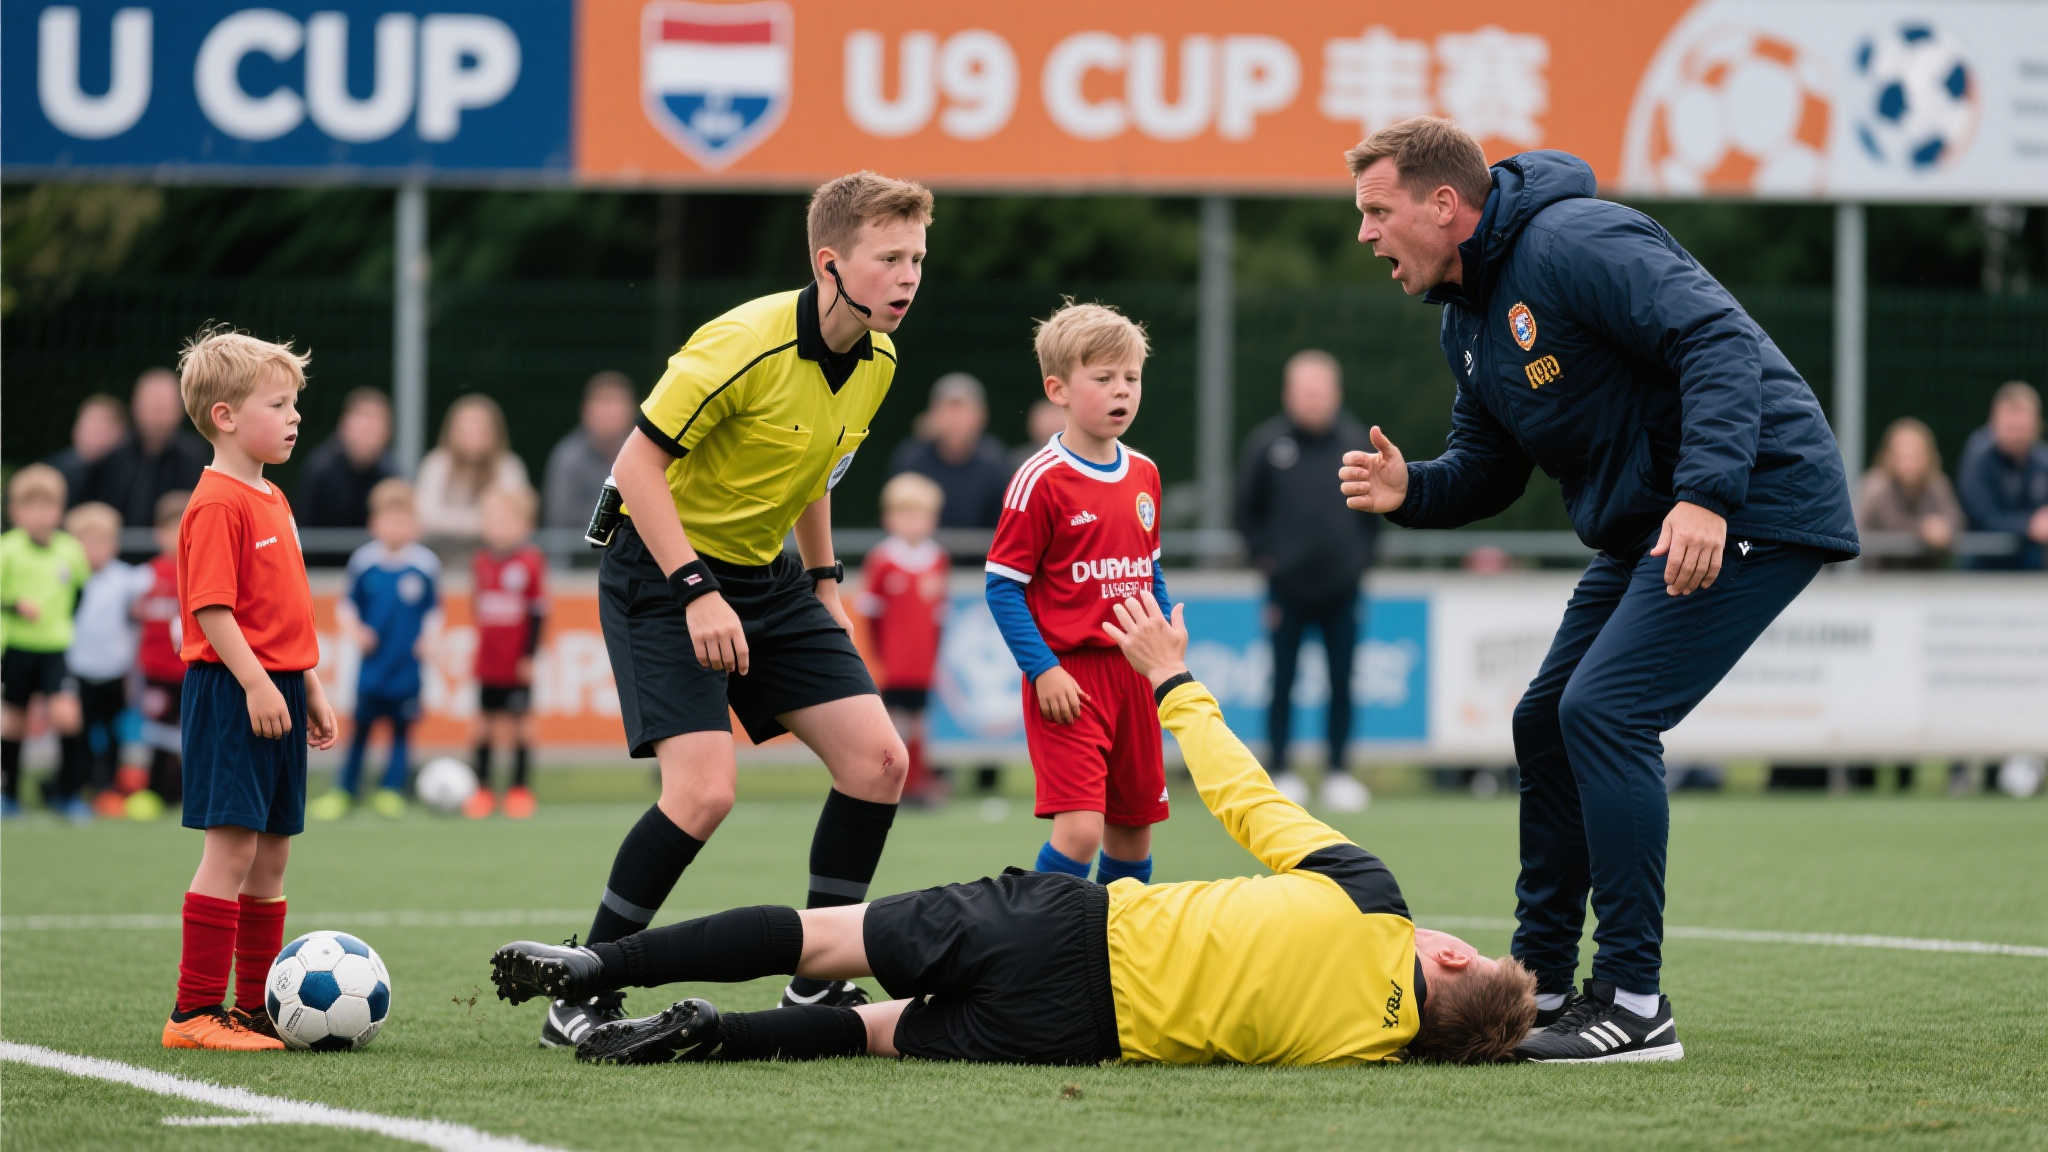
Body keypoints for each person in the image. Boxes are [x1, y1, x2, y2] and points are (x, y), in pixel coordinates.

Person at [488, 590, 1537, 1068]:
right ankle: (709, 1038)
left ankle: (596, 966)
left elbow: (1247, 801)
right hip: (1075, 1038)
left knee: (827, 942)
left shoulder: (1373, 905)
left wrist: (1172, 683)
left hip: (1071, 930)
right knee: (867, 1030)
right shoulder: (1368, 1053)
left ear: (1446, 953)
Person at [1336, 118, 1857, 1062]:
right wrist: (1415, 488)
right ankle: (1530, 987)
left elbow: (1717, 342)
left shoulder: (1575, 239)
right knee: (1545, 721)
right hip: (1654, 523)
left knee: (1606, 712)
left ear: (1445, 206)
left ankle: (1633, 1002)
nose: (1365, 235)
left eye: (1378, 211)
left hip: (1754, 499)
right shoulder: (1468, 321)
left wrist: (1707, 495)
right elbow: (1490, 469)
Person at [556, 170, 933, 1048]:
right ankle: (583, 985)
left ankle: (817, 984)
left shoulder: (878, 359)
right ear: (831, 263)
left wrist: (829, 584)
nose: (909, 276)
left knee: (879, 762)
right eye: (890, 258)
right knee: (703, 793)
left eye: (917, 257)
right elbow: (635, 467)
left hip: (770, 580)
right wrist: (695, 591)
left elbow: (815, 474)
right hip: (662, 574)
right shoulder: (743, 342)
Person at [162, 326, 338, 1051]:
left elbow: (287, 607)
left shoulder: (273, 497)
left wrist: (310, 685)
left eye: (295, 403)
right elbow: (212, 608)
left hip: (280, 689)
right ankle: (195, 1014)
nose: (295, 416)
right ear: (225, 416)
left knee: (271, 855)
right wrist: (258, 682)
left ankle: (260, 1007)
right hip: (235, 692)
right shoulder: (217, 503)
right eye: (278, 403)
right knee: (231, 851)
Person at [986, 301, 1171, 886]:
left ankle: (1119, 959)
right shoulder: (1040, 478)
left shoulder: (1144, 473)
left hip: (1136, 677)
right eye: (1104, 378)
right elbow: (1002, 587)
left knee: (1133, 826)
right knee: (1080, 831)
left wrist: (1166, 645)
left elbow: (1150, 572)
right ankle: (1032, 951)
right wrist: (1043, 670)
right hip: (1070, 680)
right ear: (1058, 389)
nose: (1122, 391)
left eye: (1132, 378)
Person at [1235, 349, 1380, 812]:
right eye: (1304, 390)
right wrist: (1266, 560)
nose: (1312, 399)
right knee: (1282, 681)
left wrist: (1361, 562)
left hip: (1343, 590)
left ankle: (1339, 771)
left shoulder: (1359, 443)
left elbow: (1377, 514)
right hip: (1286, 591)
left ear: (1335, 392)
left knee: (1343, 681)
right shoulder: (1267, 445)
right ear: (1289, 393)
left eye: (1320, 390)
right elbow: (1245, 512)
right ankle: (1280, 769)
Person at [312, 479, 439, 820]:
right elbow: (346, 607)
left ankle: (391, 790)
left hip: (407, 666)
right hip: (372, 666)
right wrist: (357, 632)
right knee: (361, 730)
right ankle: (345, 790)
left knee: (401, 731)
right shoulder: (364, 562)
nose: (396, 528)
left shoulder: (424, 565)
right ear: (374, 523)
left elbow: (433, 612)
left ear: (415, 525)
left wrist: (428, 639)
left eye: (403, 520)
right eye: (389, 519)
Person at [0, 464, 90, 819]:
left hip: (55, 648)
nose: (40, 515)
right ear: (15, 511)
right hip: (17, 647)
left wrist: (60, 625)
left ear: (60, 509)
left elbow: (79, 593)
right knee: (15, 721)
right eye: (30, 507)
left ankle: (68, 795)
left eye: (48, 506)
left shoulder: (70, 550)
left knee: (67, 717)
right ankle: (10, 795)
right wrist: (14, 606)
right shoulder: (8, 550)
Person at [857, 473, 948, 807]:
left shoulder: (937, 559)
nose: (914, 522)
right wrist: (879, 660)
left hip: (921, 665)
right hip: (891, 665)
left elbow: (938, 618)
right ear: (889, 518)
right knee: (892, 727)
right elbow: (871, 618)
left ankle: (918, 784)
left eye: (922, 514)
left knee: (920, 725)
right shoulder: (882, 560)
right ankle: (887, 786)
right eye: (906, 514)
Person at [61, 502, 152, 818]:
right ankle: (74, 789)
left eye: (102, 541)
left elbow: (146, 604)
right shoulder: (67, 578)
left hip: (115, 670)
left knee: (114, 733)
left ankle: (109, 790)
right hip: (78, 669)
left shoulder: (128, 579)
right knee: (78, 733)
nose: (95, 550)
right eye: (86, 542)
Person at [469, 484, 547, 819]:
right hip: (488, 661)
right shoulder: (481, 562)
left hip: (517, 663)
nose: (498, 527)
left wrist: (528, 656)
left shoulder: (530, 563)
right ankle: (482, 789)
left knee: (520, 726)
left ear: (524, 526)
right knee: (484, 725)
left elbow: (538, 612)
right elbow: (478, 608)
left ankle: (519, 789)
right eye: (492, 520)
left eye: (506, 520)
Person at [84, 368, 211, 531]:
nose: (157, 415)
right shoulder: (111, 458)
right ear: (135, 405)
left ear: (180, 409)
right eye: (151, 406)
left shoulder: (197, 456)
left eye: (163, 407)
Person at [889, 373, 1011, 541]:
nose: (955, 420)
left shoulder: (996, 462)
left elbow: (1006, 527)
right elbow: (895, 517)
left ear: (981, 416)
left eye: (963, 411)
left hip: (982, 562)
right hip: (921, 561)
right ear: (933, 415)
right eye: (948, 411)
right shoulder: (911, 459)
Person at [134, 489, 192, 813]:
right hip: (157, 670)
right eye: (171, 528)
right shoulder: (145, 576)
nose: (178, 535)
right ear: (158, 533)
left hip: (193, 671)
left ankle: (189, 792)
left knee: (193, 735)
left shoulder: (203, 573)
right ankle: (154, 791)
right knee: (157, 733)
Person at [1955, 380, 2048, 571]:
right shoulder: (1978, 458)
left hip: (2032, 565)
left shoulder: (2043, 461)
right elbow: (1982, 516)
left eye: (2022, 428)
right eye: (2010, 428)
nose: (2016, 435)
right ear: (1993, 422)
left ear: (2036, 425)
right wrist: (2028, 525)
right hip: (1982, 566)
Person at [415, 394, 530, 544]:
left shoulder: (508, 466)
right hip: (441, 552)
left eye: (480, 428)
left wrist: (451, 522)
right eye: (466, 428)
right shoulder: (436, 463)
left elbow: (515, 518)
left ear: (495, 432)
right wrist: (486, 521)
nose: (473, 434)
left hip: (497, 556)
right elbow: (425, 516)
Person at [1856, 417, 1963, 571]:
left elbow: (1955, 519)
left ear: (1928, 456)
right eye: (1902, 455)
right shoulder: (1876, 486)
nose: (1909, 462)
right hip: (1878, 579)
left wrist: (1946, 529)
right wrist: (1923, 529)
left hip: (1927, 581)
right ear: (1889, 455)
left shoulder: (1937, 484)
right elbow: (1889, 523)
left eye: (1915, 455)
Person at [543, 372, 637, 534]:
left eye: (615, 403)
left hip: (634, 552)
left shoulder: (646, 454)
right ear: (586, 411)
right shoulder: (567, 457)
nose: (609, 412)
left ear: (632, 411)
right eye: (602, 403)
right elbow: (560, 517)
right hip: (581, 556)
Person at [297, 388, 398, 533]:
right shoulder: (320, 470)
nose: (367, 435)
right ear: (344, 427)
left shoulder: (391, 474)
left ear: (386, 433)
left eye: (373, 428)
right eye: (363, 427)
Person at [45, 394, 128, 510]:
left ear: (120, 433)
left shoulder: (130, 475)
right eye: (88, 424)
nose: (92, 432)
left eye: (101, 427)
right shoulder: (53, 471)